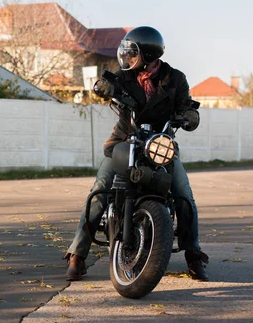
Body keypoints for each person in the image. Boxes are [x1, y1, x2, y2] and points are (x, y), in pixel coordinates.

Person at [64, 26, 209, 282]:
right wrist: (103, 87)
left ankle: (194, 255)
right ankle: (77, 254)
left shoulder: (175, 79)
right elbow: (104, 82)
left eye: (134, 54)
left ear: (149, 55)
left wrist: (188, 118)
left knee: (184, 195)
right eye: (127, 54)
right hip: (123, 142)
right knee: (100, 189)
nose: (128, 59)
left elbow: (189, 108)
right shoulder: (124, 76)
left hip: (159, 146)